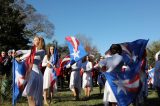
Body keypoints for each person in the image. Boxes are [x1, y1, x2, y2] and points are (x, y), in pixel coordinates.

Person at [17, 36, 45, 106]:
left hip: (36, 75)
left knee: (31, 94)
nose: (34, 41)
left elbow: (31, 53)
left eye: (35, 40)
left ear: (39, 41)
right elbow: (24, 51)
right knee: (29, 95)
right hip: (31, 73)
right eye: (34, 40)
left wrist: (20, 57)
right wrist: (15, 52)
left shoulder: (42, 51)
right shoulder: (32, 50)